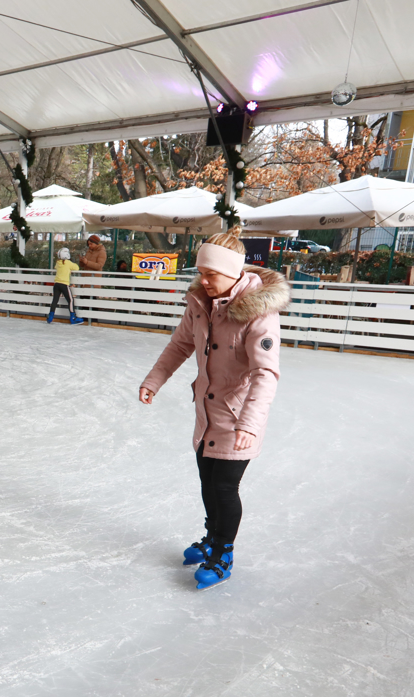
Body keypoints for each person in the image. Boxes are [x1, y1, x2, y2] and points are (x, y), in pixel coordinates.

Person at [137, 227, 290, 589]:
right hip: (207, 413)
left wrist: (250, 424)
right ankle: (212, 536)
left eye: (212, 274)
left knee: (224, 487)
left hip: (238, 418)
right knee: (207, 480)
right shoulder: (200, 305)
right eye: (201, 273)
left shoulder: (259, 313)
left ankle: (224, 550)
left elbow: (265, 374)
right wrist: (152, 381)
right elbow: (178, 346)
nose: (203, 281)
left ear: (235, 272)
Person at [47, 247, 83, 325]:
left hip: (56, 284)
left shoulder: (58, 263)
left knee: (55, 300)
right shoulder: (68, 263)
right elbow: (77, 268)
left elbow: (56, 267)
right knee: (70, 300)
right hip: (64, 284)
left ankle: (50, 316)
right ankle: (73, 317)